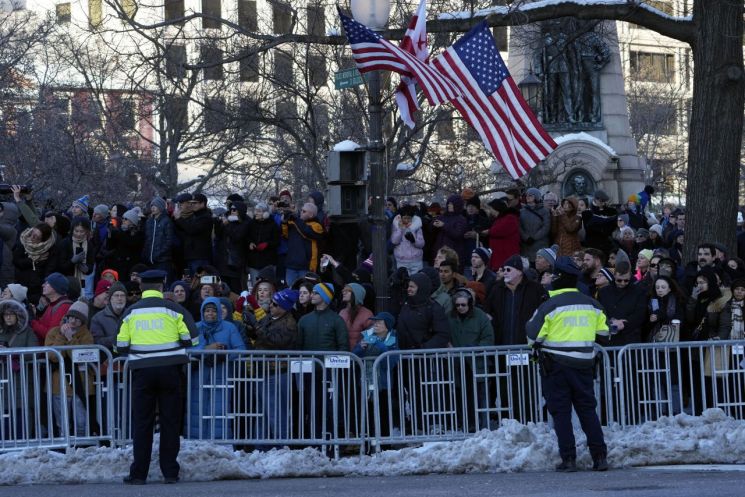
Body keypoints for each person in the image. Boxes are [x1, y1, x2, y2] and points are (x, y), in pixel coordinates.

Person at [526, 256, 609, 472]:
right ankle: (600, 457)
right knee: (588, 411)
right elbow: (604, 332)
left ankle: (569, 459)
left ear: (559, 278)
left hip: (556, 367)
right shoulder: (592, 304)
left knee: (561, 413)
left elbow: (532, 336)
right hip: (584, 365)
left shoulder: (549, 305)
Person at [116, 269, 198, 485]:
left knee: (143, 423)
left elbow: (120, 346)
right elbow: (193, 340)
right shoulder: (174, 309)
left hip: (142, 373)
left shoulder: (131, 312)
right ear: (162, 287)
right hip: (171, 371)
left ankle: (138, 474)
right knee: (171, 422)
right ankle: (170, 472)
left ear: (141, 288)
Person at [188, 297, 247, 439]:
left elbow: (241, 349)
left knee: (219, 409)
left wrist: (224, 355)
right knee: (197, 408)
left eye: (214, 311)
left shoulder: (229, 327)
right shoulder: (196, 328)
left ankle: (221, 444)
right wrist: (207, 349)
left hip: (222, 374)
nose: (210, 314)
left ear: (219, 313)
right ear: (202, 312)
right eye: (207, 311)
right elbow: (189, 349)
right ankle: (196, 442)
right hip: (199, 375)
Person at [45, 301, 95, 437]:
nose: (73, 321)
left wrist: (70, 338)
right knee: (62, 423)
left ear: (83, 321)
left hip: (81, 384)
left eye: (78, 319)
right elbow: (53, 356)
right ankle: (64, 449)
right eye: (71, 317)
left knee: (81, 422)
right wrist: (62, 336)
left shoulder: (86, 335)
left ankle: (82, 449)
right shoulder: (54, 332)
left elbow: (78, 357)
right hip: (59, 385)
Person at [90, 281, 128, 351]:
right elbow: (97, 341)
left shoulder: (131, 315)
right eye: (116, 295)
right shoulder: (98, 318)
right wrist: (116, 339)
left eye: (122, 295)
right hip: (108, 359)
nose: (120, 298)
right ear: (110, 299)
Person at [484, 198, 520, 271]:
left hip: (506, 255)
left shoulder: (510, 218)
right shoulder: (499, 218)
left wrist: (488, 231)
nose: (490, 211)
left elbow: (501, 230)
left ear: (496, 208)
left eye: (491, 209)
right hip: (499, 255)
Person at [390, 204, 425, 276]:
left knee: (416, 281)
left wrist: (413, 240)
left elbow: (421, 244)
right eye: (404, 218)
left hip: (416, 260)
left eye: (409, 218)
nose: (406, 220)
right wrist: (400, 230)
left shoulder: (417, 227)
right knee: (403, 282)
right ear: (401, 217)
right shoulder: (396, 225)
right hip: (402, 260)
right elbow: (394, 241)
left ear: (412, 218)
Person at [339, 283, 373, 351]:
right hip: (343, 356)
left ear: (356, 294)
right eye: (343, 290)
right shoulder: (342, 313)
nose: (344, 292)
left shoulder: (367, 314)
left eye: (347, 290)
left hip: (360, 357)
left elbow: (370, 338)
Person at [519, 188, 551, 261]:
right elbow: (519, 226)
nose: (527, 197)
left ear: (536, 196)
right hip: (526, 246)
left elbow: (546, 227)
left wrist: (534, 237)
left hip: (540, 244)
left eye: (530, 195)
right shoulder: (521, 211)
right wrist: (526, 237)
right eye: (527, 195)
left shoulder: (545, 211)